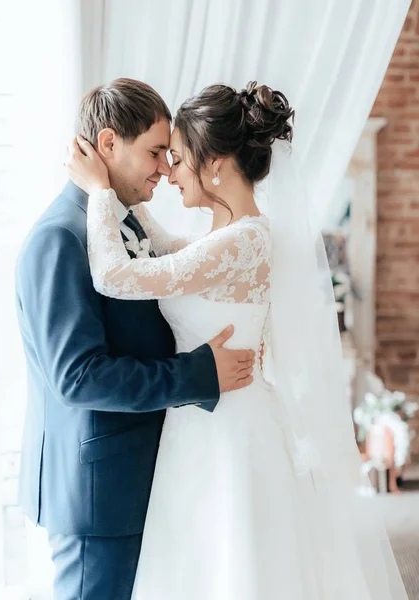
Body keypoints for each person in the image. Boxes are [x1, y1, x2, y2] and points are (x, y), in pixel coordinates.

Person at [67, 80, 409, 599]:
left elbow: (115, 276)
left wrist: (98, 193)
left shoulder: (244, 241)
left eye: (177, 158)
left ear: (216, 164)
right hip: (203, 422)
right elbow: (161, 243)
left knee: (235, 570)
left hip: (229, 433)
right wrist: (119, 187)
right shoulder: (224, 239)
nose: (168, 171)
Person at [15, 78, 256, 600]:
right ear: (107, 146)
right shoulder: (61, 239)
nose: (164, 170)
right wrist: (198, 373)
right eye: (154, 152)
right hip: (99, 496)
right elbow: (78, 378)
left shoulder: (122, 224)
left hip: (140, 479)